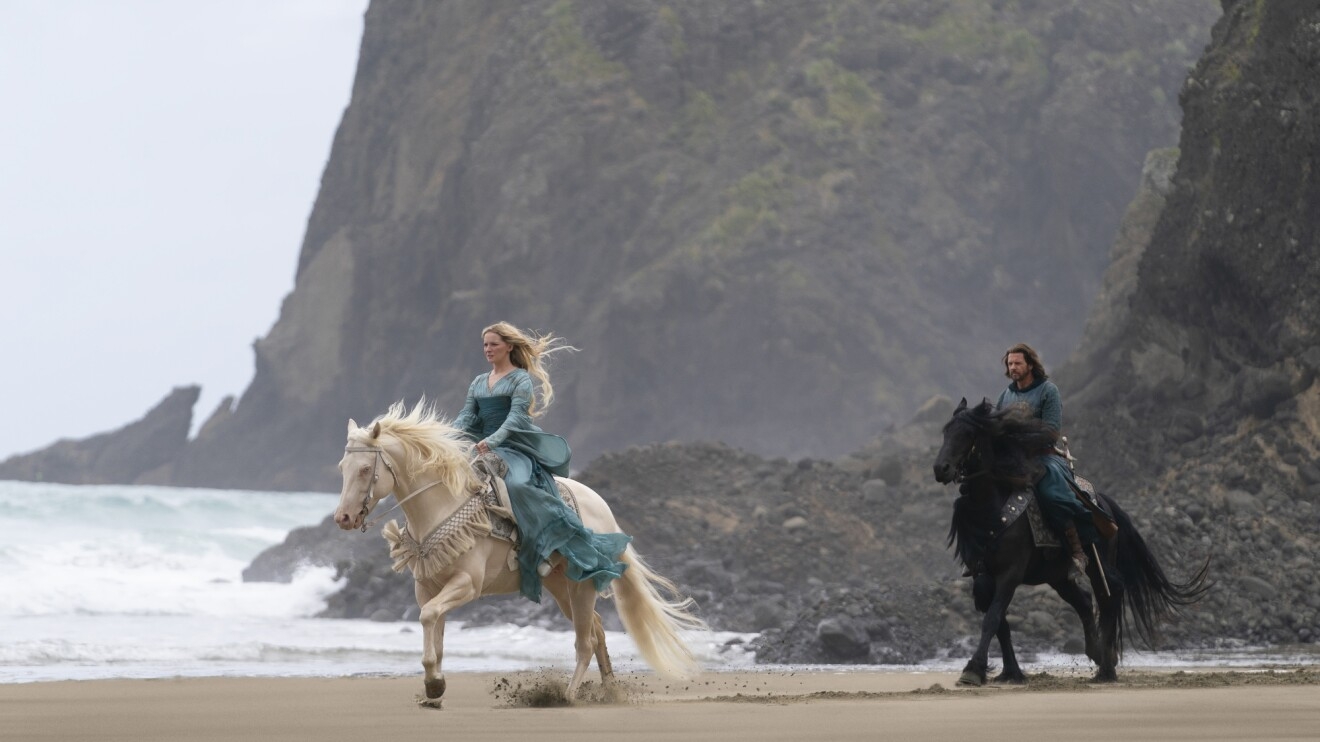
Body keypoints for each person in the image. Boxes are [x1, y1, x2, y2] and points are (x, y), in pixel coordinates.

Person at [452, 321, 631, 603]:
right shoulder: (478, 382)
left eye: (494, 344)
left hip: (513, 446)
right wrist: (447, 437)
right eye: (485, 344)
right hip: (480, 446)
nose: (488, 349)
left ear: (509, 347)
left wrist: (493, 441)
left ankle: (546, 549)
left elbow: (516, 419)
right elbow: (466, 416)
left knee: (519, 486)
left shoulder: (520, 379)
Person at [994, 343, 1097, 579]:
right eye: (1010, 364)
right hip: (1012, 459)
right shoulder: (1006, 395)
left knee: (1053, 495)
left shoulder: (1048, 391)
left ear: (1030, 364)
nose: (1013, 368)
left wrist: (1019, 435)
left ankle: (1077, 552)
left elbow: (1051, 431)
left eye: (1018, 363)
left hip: (1043, 457)